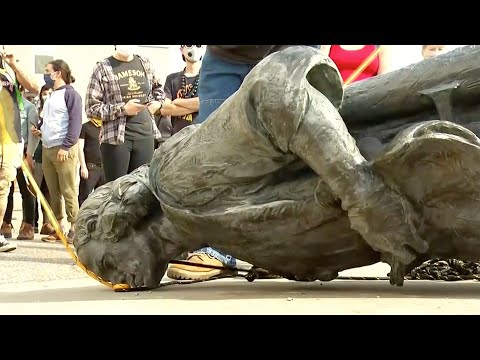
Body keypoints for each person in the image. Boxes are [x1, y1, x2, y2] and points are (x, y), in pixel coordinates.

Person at [167, 45, 319, 281]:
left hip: (289, 51)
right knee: (210, 150)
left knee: (287, 148)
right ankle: (215, 248)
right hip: (225, 56)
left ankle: (277, 251)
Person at [85, 45, 167, 183]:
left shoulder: (144, 62)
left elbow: (158, 89)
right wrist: (123, 110)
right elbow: (91, 108)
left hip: (145, 134)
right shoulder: (102, 67)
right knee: (118, 190)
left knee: (143, 188)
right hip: (116, 139)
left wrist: (158, 103)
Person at [31, 59, 82, 243]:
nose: (46, 74)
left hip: (63, 148)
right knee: (53, 191)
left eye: (48, 71)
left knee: (68, 189)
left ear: (58, 73)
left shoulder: (71, 94)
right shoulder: (51, 95)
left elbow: (75, 123)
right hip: (47, 147)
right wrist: (40, 129)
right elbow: (49, 119)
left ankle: (75, 228)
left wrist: (66, 146)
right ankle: (58, 227)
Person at [0, 49, 40, 252]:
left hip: (14, 144)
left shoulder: (9, 73)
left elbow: (34, 87)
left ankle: (11, 230)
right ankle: (3, 228)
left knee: (10, 189)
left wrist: (13, 64)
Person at [160, 45, 204, 134]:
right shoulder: (171, 79)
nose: (194, 48)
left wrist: (177, 102)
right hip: (177, 137)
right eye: (189, 45)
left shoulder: (209, 78)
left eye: (198, 45)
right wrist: (197, 105)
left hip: (201, 135)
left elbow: (208, 102)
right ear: (181, 50)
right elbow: (165, 109)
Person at [32, 85, 55, 237]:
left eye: (50, 93)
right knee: (34, 190)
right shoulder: (35, 111)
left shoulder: (56, 112)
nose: (47, 96)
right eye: (44, 93)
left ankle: (47, 223)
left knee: (49, 191)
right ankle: (31, 223)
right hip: (37, 155)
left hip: (50, 155)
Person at [320, 45, 393, 84]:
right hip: (335, 100)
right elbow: (319, 70)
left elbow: (383, 79)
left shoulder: (380, 46)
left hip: (368, 101)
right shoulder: (328, 46)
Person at [78, 117, 105, 207]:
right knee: (84, 197)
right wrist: (83, 166)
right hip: (90, 167)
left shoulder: (106, 126)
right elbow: (80, 148)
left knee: (103, 197)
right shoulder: (85, 127)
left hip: (104, 167)